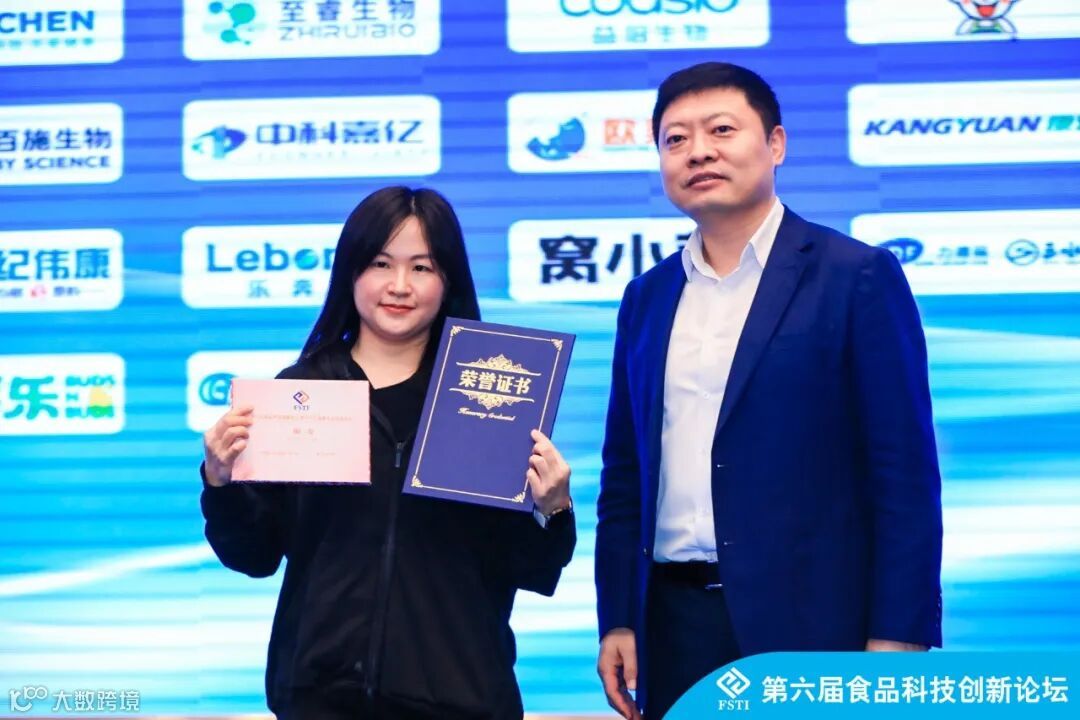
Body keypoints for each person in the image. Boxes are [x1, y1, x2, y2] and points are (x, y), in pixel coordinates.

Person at [594, 62, 943, 719]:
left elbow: (903, 475)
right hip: (672, 625)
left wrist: (899, 633)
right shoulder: (647, 297)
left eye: (722, 130)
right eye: (675, 139)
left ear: (776, 144)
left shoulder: (856, 276)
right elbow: (625, 476)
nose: (698, 151)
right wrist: (618, 615)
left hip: (815, 626)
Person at [200, 186, 576, 720]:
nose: (399, 286)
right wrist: (221, 481)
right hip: (321, 698)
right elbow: (254, 556)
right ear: (351, 272)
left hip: (462, 698)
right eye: (381, 264)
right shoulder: (303, 390)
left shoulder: (490, 392)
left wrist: (552, 507)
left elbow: (531, 565)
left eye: (422, 267)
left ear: (448, 280)